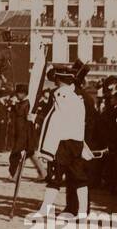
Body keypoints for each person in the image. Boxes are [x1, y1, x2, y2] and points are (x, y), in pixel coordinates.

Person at [30, 64, 90, 219]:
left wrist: (35, 118)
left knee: (55, 177)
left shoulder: (61, 94)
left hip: (63, 143)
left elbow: (55, 119)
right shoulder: (77, 97)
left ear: (58, 79)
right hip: (77, 142)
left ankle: (45, 210)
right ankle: (82, 212)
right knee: (78, 177)